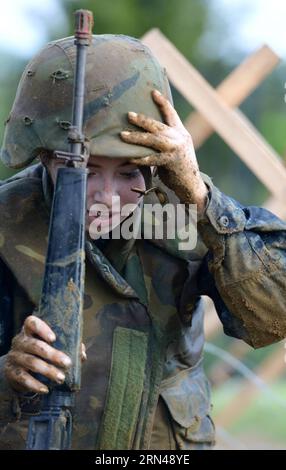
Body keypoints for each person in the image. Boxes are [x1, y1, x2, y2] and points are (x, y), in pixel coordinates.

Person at [0, 34, 286, 451]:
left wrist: (202, 200)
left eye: (130, 172)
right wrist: (9, 370)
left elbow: (274, 313)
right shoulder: (8, 221)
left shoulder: (190, 210)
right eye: (85, 171)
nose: (107, 195)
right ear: (43, 156)